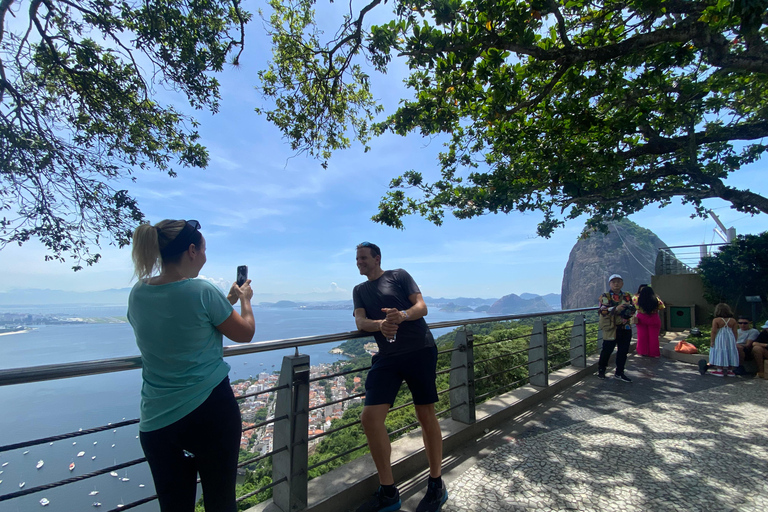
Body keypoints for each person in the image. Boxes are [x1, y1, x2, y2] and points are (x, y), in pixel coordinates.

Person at [127, 219, 255, 512]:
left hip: (157, 418)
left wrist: (228, 300)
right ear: (193, 250)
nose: (206, 256)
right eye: (205, 250)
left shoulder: (138, 293)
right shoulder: (201, 290)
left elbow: (185, 321)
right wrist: (245, 301)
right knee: (220, 503)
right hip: (210, 413)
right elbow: (245, 333)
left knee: (174, 507)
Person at [352, 242, 447, 512]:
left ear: (377, 258)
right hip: (387, 357)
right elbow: (360, 322)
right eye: (357, 258)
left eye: (363, 258)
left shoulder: (399, 276)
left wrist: (401, 315)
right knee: (370, 418)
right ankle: (389, 492)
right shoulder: (359, 290)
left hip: (420, 350)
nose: (359, 262)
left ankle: (436, 484)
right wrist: (380, 325)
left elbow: (421, 307)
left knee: (425, 414)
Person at [598, 274, 634, 382]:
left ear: (622, 283)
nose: (616, 284)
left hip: (625, 327)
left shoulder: (627, 295)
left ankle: (619, 372)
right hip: (611, 328)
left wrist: (628, 310)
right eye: (614, 282)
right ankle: (601, 371)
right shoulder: (605, 296)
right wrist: (616, 308)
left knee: (623, 351)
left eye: (618, 281)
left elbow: (633, 308)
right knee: (607, 350)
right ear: (610, 284)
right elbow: (603, 311)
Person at [708, 303, 739, 377]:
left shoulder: (716, 320)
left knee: (720, 351)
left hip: (720, 337)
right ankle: (730, 370)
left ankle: (719, 369)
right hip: (730, 338)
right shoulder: (733, 320)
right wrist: (735, 340)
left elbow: (714, 331)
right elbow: (735, 331)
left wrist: (712, 341)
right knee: (730, 351)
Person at [634, 286, 664, 357]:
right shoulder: (657, 299)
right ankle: (654, 353)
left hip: (641, 318)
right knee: (654, 337)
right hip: (653, 318)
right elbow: (661, 307)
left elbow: (635, 307)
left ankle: (643, 352)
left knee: (642, 336)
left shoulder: (636, 299)